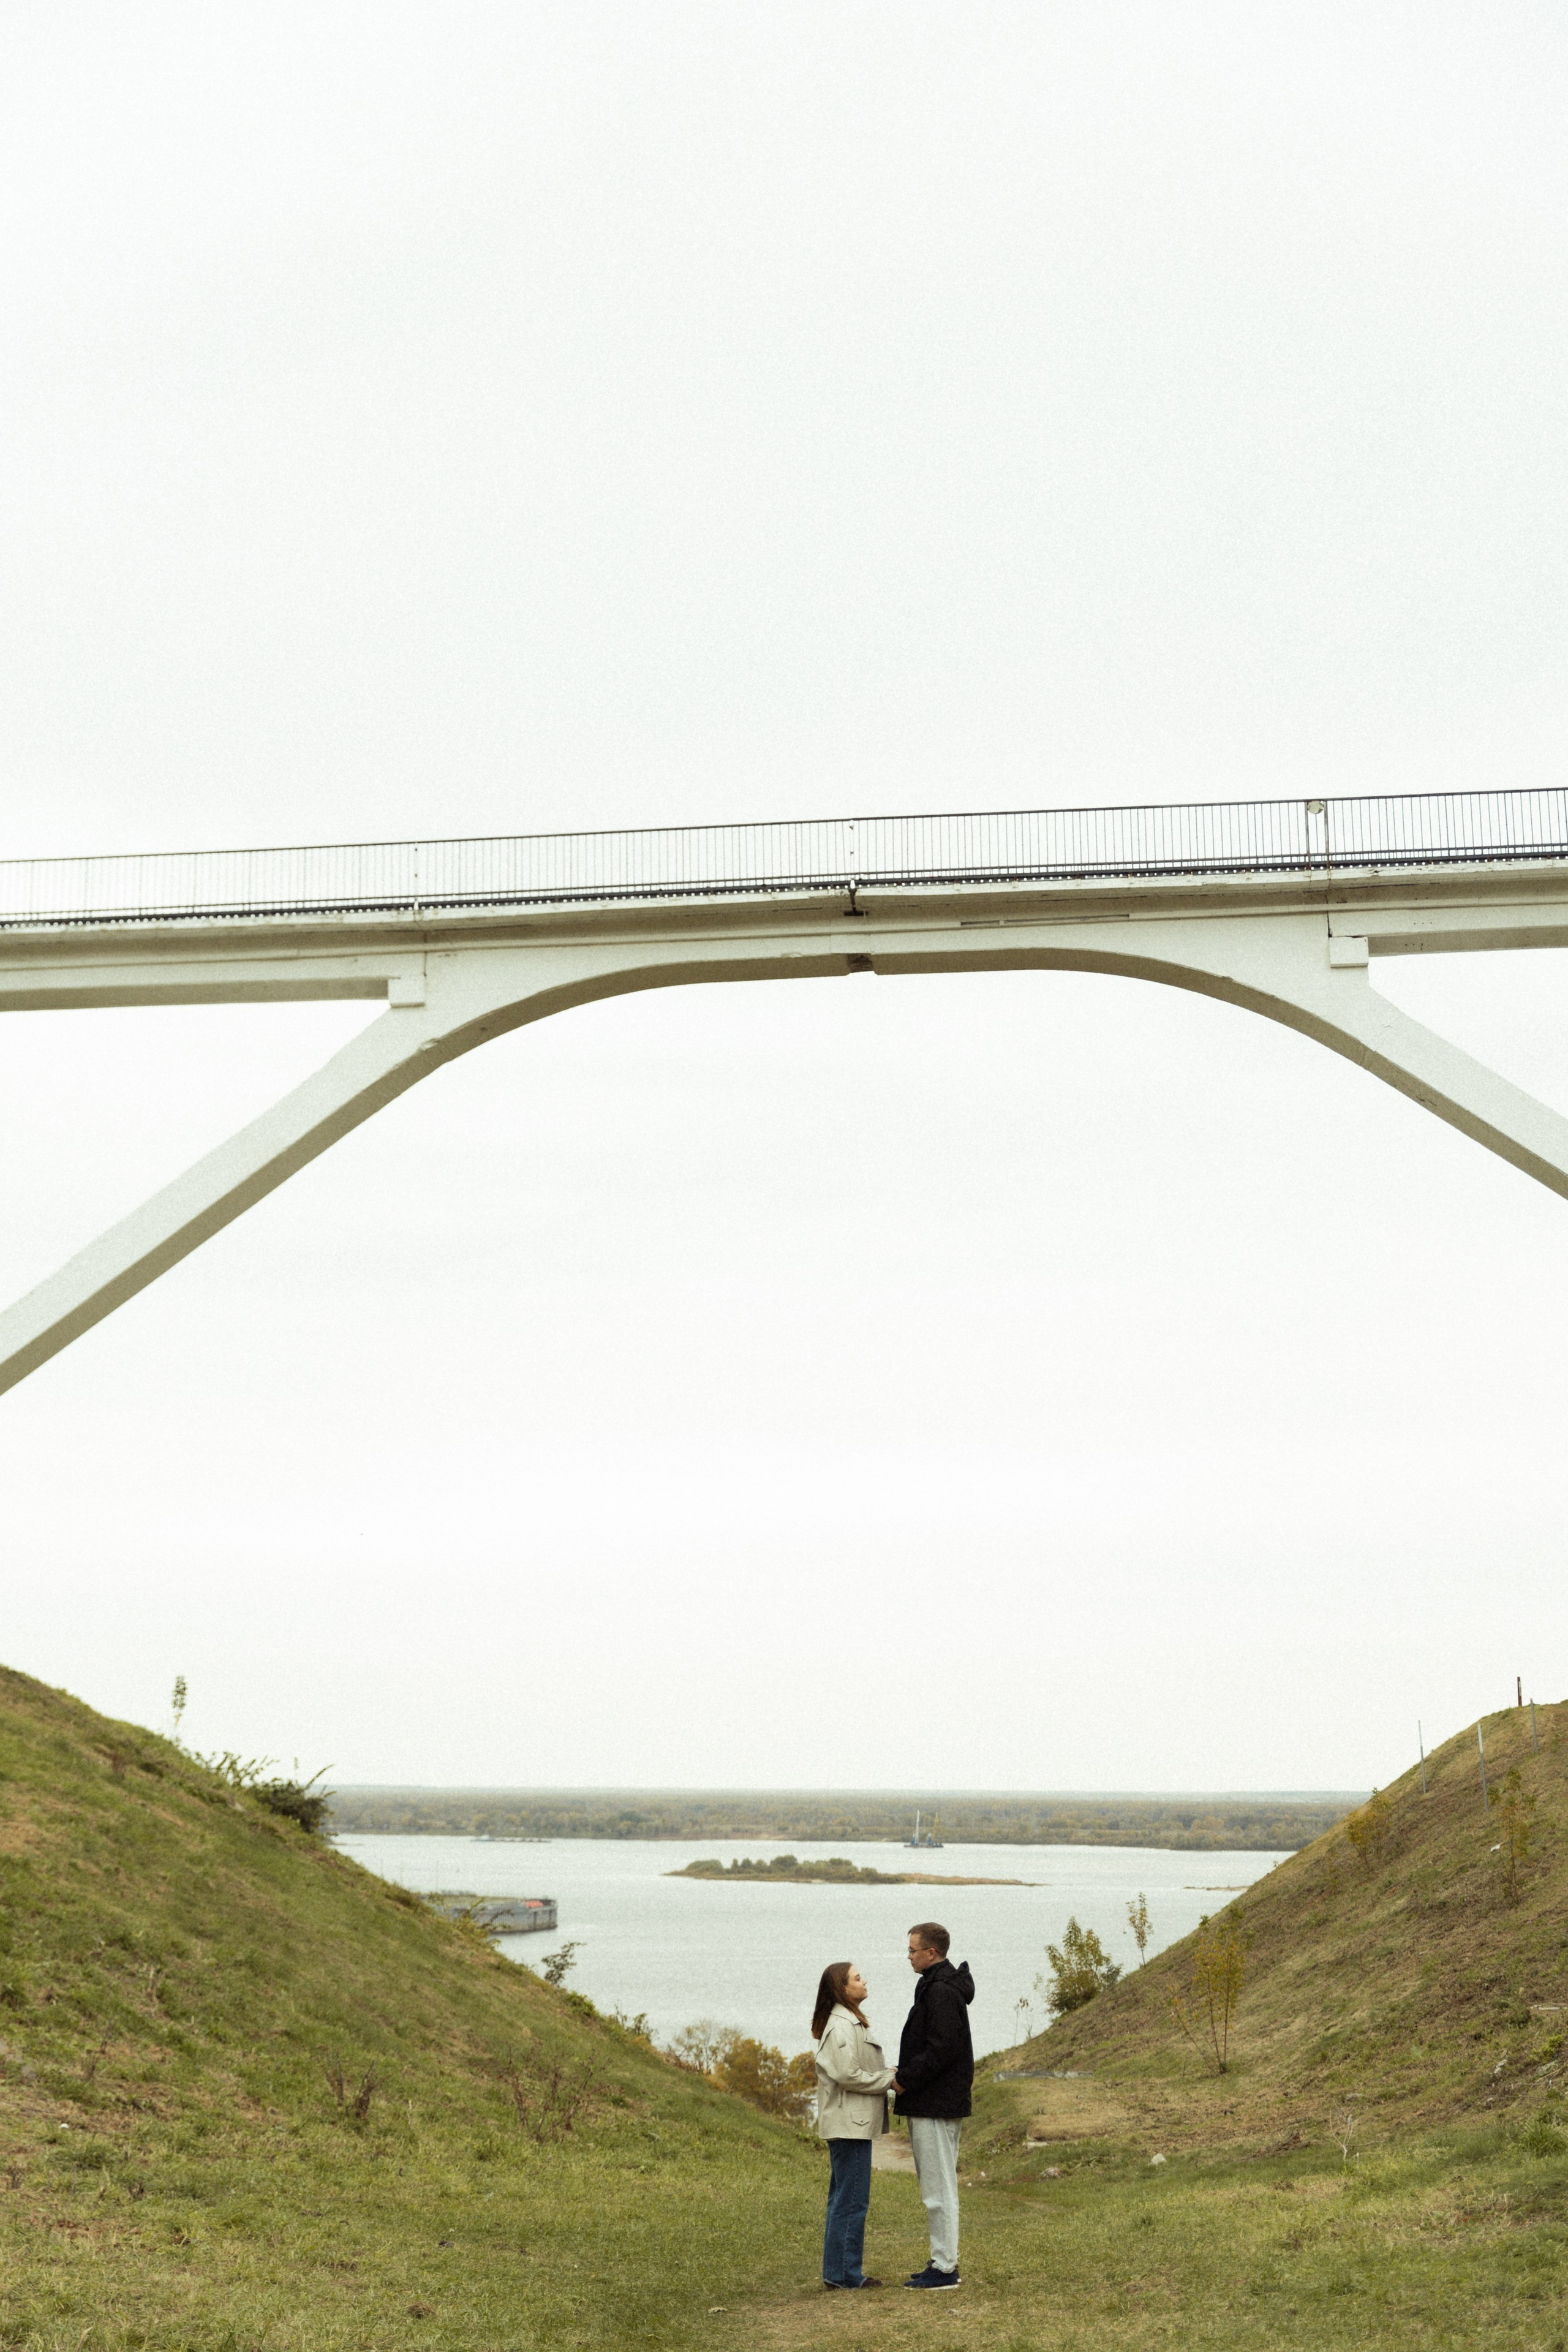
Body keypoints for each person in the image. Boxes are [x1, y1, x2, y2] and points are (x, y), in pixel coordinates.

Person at [892, 1920, 974, 2290]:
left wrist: (905, 2079)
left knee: (938, 2189)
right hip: (938, 2100)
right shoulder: (936, 1986)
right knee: (939, 2187)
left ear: (931, 1953)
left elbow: (943, 2049)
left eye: (912, 1950)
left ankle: (945, 2269)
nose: (908, 1956)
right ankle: (943, 2259)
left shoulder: (940, 1991)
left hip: (935, 2103)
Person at [812, 1959, 897, 2291]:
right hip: (849, 2124)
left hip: (852, 2122)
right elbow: (848, 2075)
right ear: (842, 1988)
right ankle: (845, 2274)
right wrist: (888, 2079)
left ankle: (839, 2272)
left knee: (845, 2198)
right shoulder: (841, 2026)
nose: (864, 1982)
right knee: (851, 2200)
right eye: (857, 1978)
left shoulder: (848, 2022)